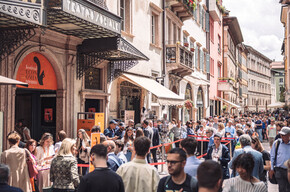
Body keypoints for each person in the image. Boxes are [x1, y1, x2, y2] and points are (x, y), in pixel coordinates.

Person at [269, 127, 290, 192]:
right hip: (279, 170)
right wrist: (272, 169)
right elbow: (272, 156)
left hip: (289, 170)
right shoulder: (277, 143)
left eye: (285, 135)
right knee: (282, 188)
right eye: (282, 135)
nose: (283, 137)